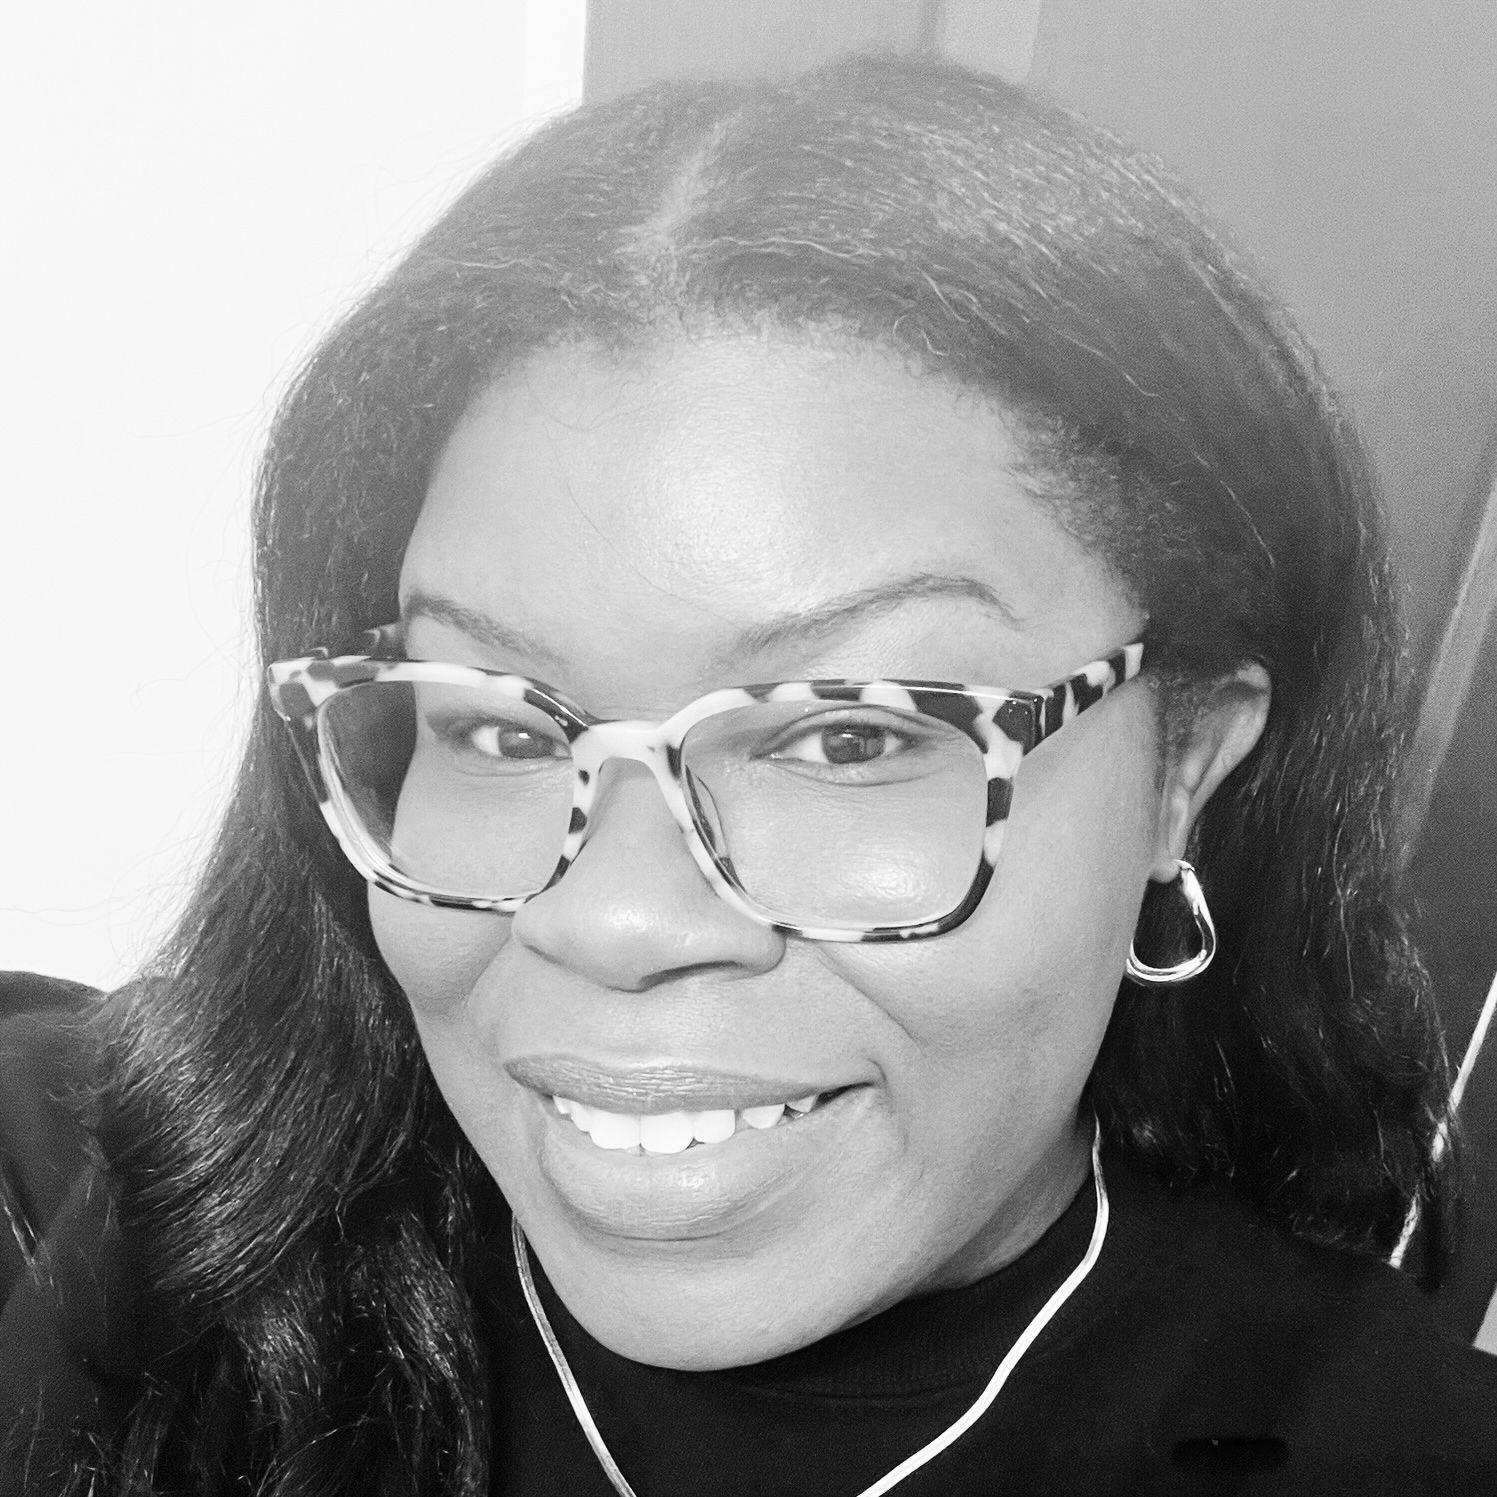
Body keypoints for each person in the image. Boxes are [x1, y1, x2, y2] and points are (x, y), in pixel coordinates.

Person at [3, 52, 1494, 1497]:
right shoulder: (171, 1267)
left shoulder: (1395, 1449)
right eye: (501, 729)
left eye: (852, 736)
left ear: (1181, 769)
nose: (614, 920)